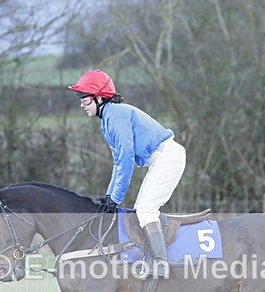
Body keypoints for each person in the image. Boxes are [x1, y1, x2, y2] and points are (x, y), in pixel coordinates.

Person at [68, 69, 186, 278]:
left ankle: (161, 263)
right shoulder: (108, 119)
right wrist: (109, 196)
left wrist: (116, 199)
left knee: (146, 210)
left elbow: (126, 161)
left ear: (99, 98)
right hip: (161, 159)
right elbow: (117, 163)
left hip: (167, 157)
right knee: (142, 209)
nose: (81, 104)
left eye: (84, 99)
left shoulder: (115, 115)